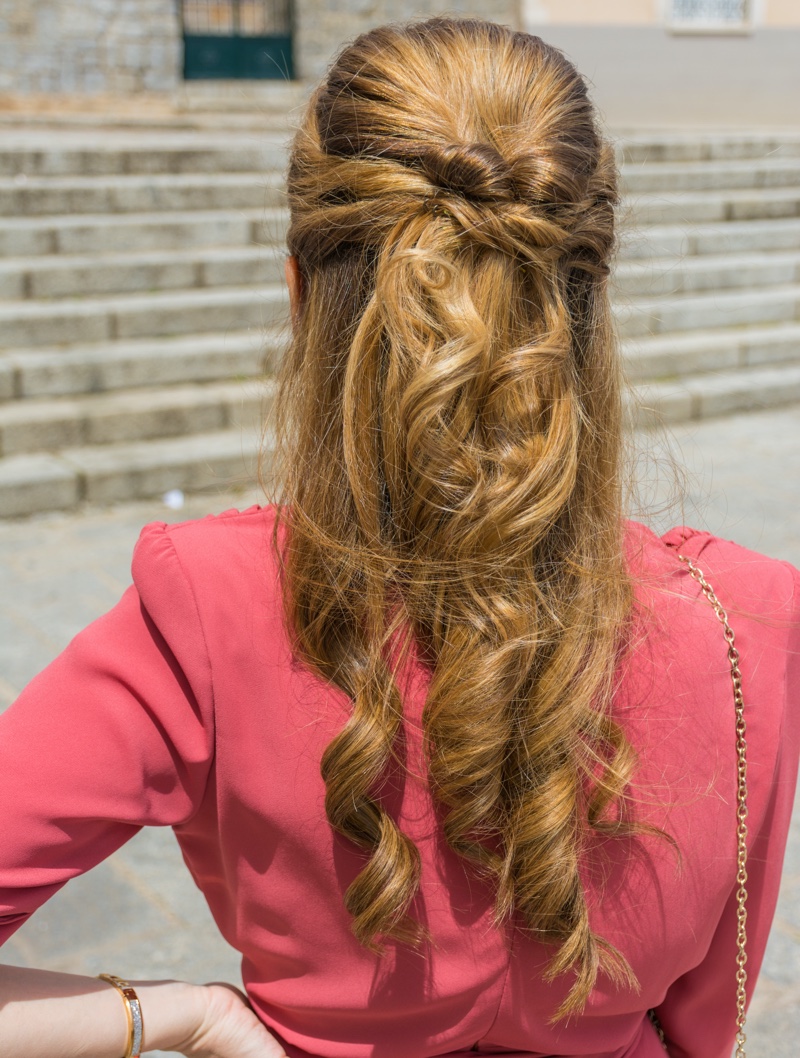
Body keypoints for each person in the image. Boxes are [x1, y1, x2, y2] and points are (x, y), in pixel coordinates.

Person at [0, 16, 798, 1058]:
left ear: (300, 299)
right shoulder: (746, 623)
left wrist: (172, 1015)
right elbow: (700, 1025)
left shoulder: (205, 607)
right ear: (584, 303)